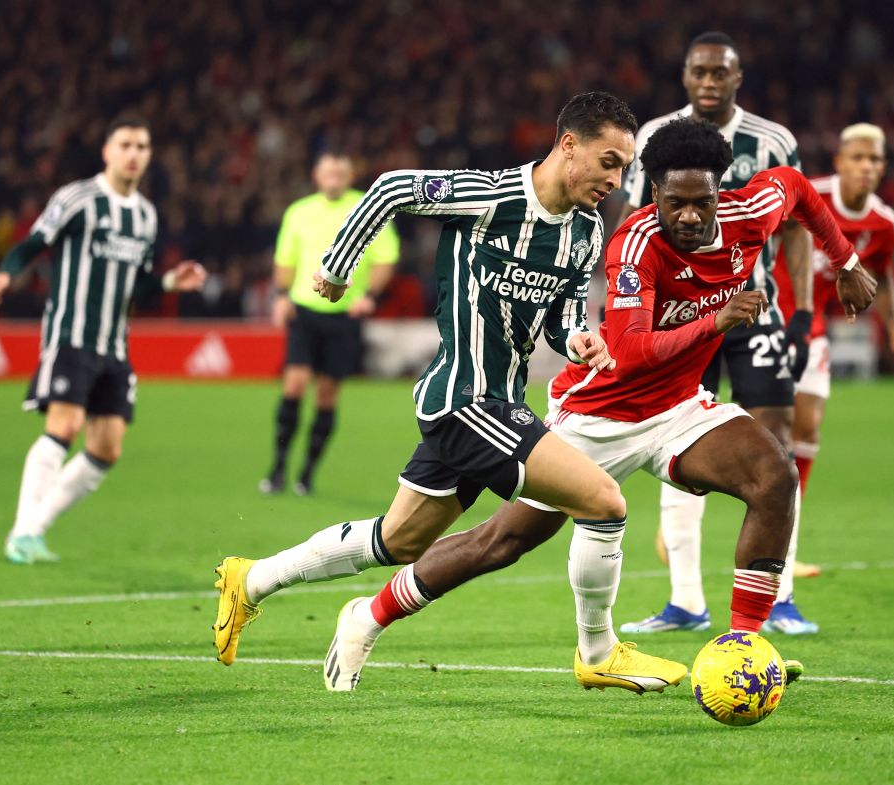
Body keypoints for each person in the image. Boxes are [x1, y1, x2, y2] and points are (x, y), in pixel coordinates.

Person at [321, 119, 875, 693]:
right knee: (502, 542)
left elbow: (802, 192)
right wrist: (719, 318)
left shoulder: (754, 207)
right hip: (598, 416)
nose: (688, 216)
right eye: (674, 202)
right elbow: (631, 352)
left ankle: (743, 649)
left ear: (720, 192)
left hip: (679, 410)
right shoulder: (634, 244)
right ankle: (370, 615)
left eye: (702, 202)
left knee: (774, 475)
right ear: (653, 193)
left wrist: (848, 263)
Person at [213, 92, 686, 691]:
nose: (617, 179)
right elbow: (389, 189)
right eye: (609, 161)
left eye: (624, 167)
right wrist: (338, 267)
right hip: (466, 400)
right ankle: (599, 653)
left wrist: (579, 342)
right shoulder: (490, 195)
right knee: (603, 500)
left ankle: (251, 579)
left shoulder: (587, 232)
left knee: (398, 539)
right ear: (569, 146)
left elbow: (563, 317)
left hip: (499, 405)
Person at [617, 31, 825, 636]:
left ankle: (779, 594)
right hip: (680, 317)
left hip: (756, 311)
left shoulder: (773, 141)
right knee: (674, 439)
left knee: (774, 441)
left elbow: (798, 227)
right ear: (685, 76)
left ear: (738, 78)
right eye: (699, 72)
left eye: (720, 73)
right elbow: (630, 218)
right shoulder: (654, 137)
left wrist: (806, 313)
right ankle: (685, 599)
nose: (709, 82)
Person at [0, 116, 206, 564]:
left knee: (106, 448)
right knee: (63, 426)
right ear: (107, 151)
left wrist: (166, 284)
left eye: (142, 147)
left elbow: (135, 286)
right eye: (125, 144)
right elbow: (31, 244)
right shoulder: (77, 199)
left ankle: (34, 530)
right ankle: (24, 532)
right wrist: (7, 274)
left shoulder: (145, 215)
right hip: (71, 337)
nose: (133, 154)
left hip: (114, 346)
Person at [779, 124, 894, 536]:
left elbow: (882, 273)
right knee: (760, 432)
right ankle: (683, 515)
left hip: (811, 325)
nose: (865, 166)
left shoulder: (883, 223)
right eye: (857, 157)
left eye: (874, 159)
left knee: (807, 427)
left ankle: (784, 539)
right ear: (840, 162)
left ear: (883, 167)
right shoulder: (808, 195)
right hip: (769, 319)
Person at [260, 153, 399, 496]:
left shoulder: (367, 207)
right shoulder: (299, 211)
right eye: (328, 171)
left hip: (345, 314)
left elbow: (386, 258)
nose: (334, 177)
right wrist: (280, 295)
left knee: (326, 394)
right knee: (293, 385)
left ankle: (306, 474)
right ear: (316, 174)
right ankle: (278, 467)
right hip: (305, 311)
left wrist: (371, 296)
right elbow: (285, 259)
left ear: (351, 174)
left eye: (341, 171)